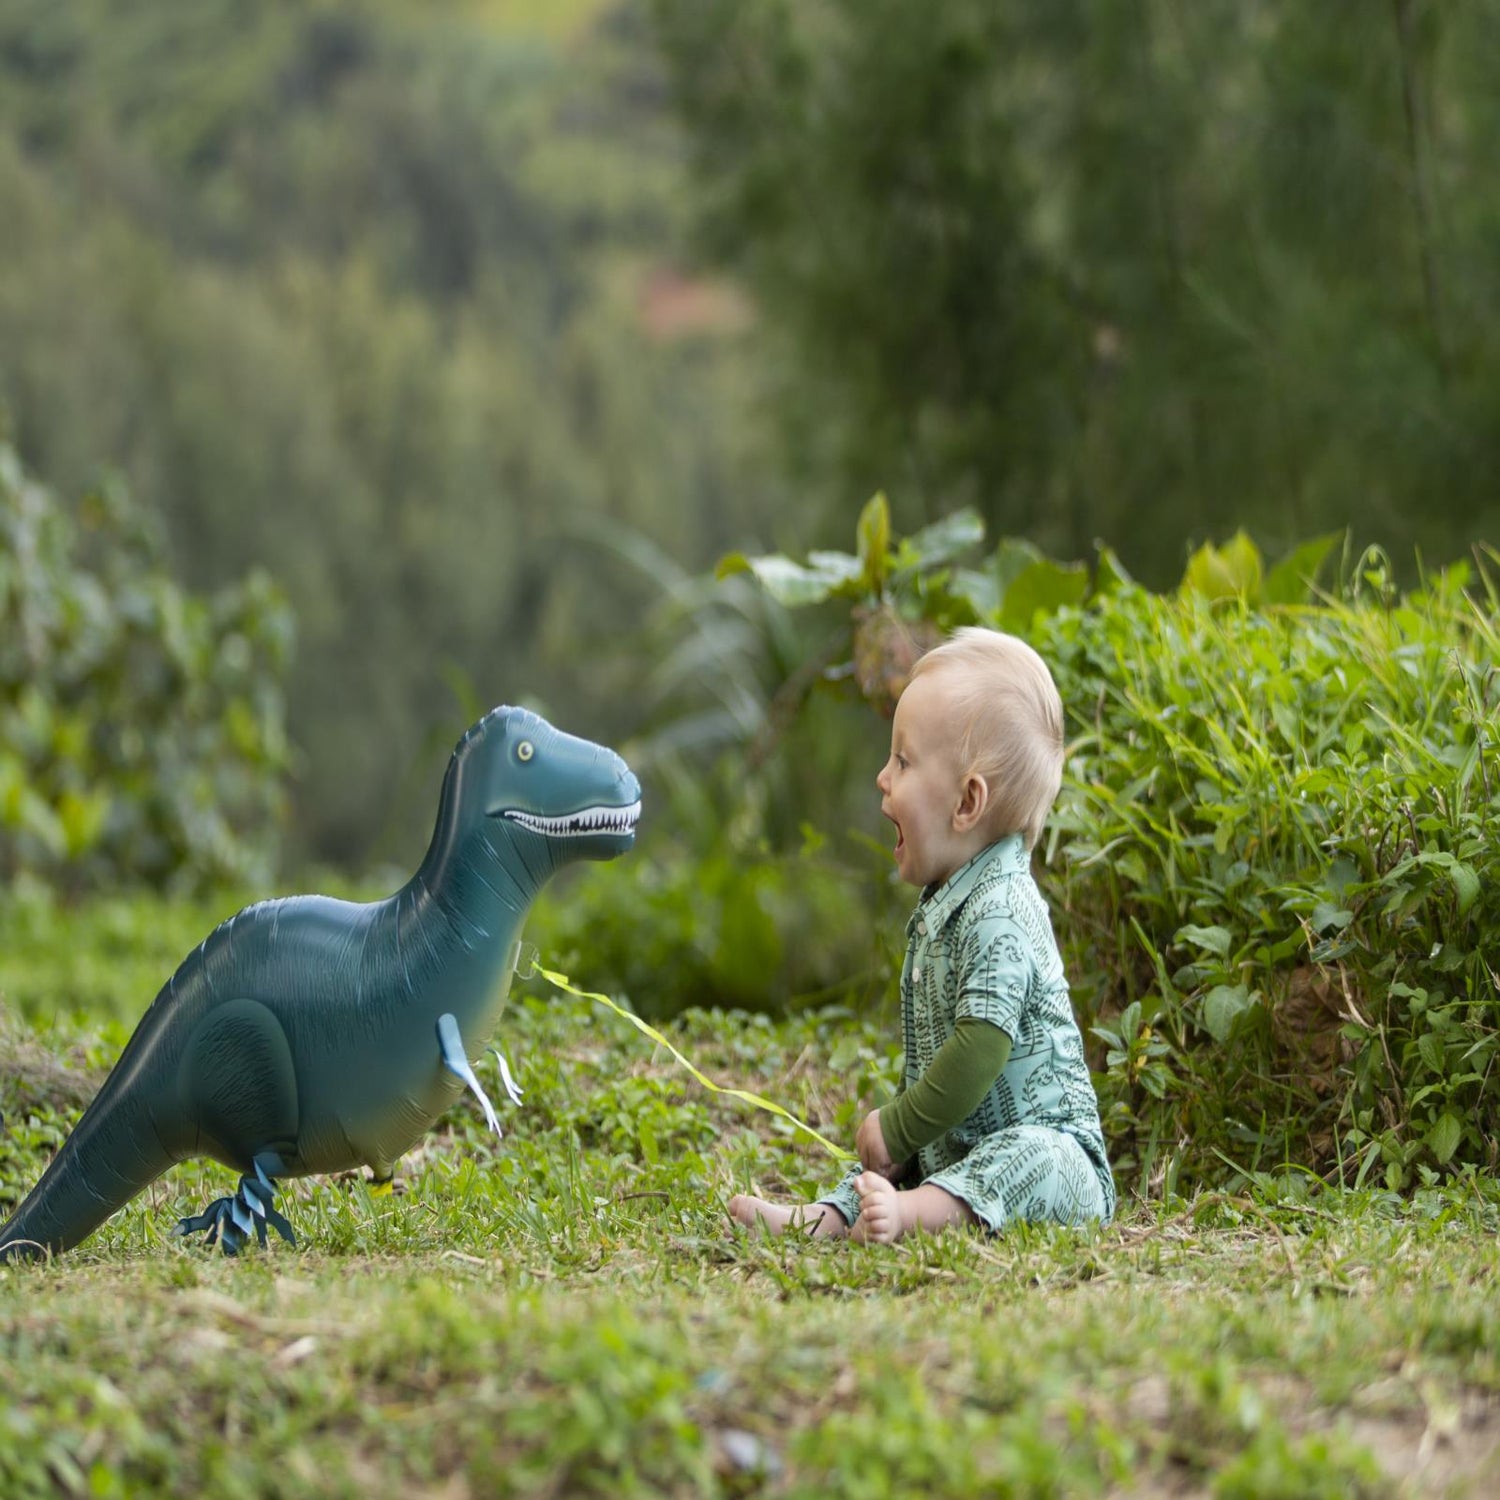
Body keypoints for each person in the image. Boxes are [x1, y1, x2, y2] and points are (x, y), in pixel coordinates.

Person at [728, 627, 1115, 1243]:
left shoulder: (1002, 908)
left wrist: (901, 1126)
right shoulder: (946, 903)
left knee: (1034, 1155)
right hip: (957, 1153)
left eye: (903, 762)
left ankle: (910, 1215)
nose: (883, 778)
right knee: (898, 1165)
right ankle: (828, 1218)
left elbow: (980, 1048)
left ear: (967, 803)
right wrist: (902, 1144)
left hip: (1059, 1167)